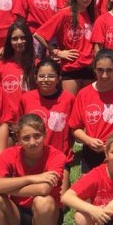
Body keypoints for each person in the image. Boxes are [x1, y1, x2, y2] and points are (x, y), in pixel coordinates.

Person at [68, 49, 113, 173]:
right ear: (94, 69)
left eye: (109, 70)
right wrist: (88, 140)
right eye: (100, 70)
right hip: (92, 152)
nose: (104, 75)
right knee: (91, 191)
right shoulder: (84, 94)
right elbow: (75, 128)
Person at [19, 59, 76, 193]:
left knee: (58, 201)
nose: (46, 80)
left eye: (51, 76)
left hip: (59, 157)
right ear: (35, 77)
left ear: (58, 78)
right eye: (42, 76)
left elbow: (74, 128)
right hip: (31, 156)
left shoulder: (69, 99)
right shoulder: (26, 98)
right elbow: (20, 127)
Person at [34, 0, 97, 94]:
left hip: (90, 66)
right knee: (70, 104)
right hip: (71, 66)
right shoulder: (65, 13)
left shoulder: (93, 14)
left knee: (86, 104)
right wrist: (57, 52)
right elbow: (39, 34)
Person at [0, 22, 35, 119]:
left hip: (29, 120)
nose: (19, 42)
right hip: (6, 120)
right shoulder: (0, 65)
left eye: (23, 38)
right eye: (15, 39)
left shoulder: (36, 64)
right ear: (9, 41)